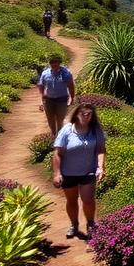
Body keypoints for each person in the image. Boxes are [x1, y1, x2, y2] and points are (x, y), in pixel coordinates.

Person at [52, 102, 106, 239]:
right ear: (76, 114)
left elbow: (100, 149)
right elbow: (57, 153)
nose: (86, 117)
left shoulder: (96, 130)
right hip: (68, 172)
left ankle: (90, 223)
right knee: (71, 200)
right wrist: (57, 173)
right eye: (83, 114)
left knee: (88, 199)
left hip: (88, 171)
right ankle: (74, 224)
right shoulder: (67, 130)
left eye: (89, 114)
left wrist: (100, 166)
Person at [37, 55, 75, 135]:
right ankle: (54, 135)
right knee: (50, 119)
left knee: (60, 119)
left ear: (59, 63)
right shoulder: (45, 73)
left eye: (55, 62)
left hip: (62, 100)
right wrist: (41, 100)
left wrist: (72, 97)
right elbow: (41, 86)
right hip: (48, 100)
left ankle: (59, 136)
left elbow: (71, 85)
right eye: (52, 62)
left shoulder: (66, 73)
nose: (54, 64)